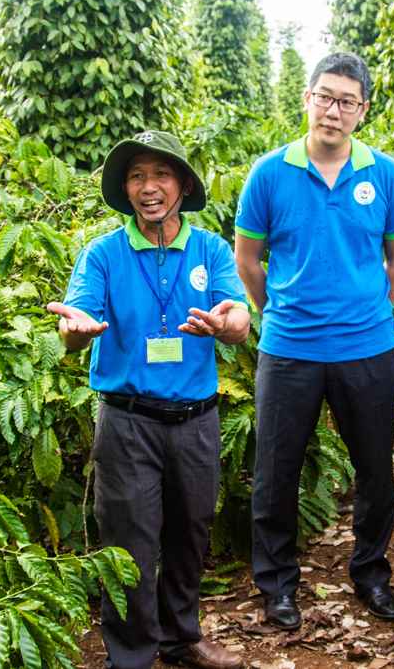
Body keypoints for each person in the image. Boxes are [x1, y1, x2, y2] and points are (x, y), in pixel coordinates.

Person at [48, 130, 250, 669]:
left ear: (182, 184)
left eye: (160, 174)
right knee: (128, 543)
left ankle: (181, 636)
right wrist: (77, 330)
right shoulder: (103, 253)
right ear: (126, 189)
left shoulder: (210, 249)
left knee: (190, 530)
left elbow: (239, 318)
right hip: (127, 422)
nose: (148, 187)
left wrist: (227, 325)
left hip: (196, 421)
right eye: (136, 176)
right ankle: (131, 654)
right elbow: (76, 318)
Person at [234, 52, 394, 629]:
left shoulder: (384, 174)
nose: (332, 110)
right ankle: (278, 585)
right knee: (276, 471)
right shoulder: (269, 173)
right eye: (324, 96)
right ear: (307, 98)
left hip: (368, 349)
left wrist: (364, 311)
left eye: (346, 101)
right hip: (288, 350)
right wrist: (282, 312)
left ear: (361, 111)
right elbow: (248, 260)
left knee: (374, 469)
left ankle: (371, 574)